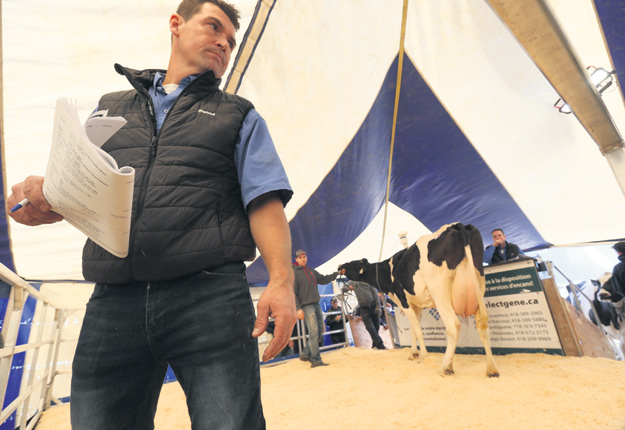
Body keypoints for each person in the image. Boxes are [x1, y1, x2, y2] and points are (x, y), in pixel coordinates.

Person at [7, 1, 297, 429]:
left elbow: (264, 200)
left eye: (231, 41)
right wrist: (43, 200)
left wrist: (281, 281)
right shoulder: (110, 107)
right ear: (176, 25)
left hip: (211, 299)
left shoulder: (239, 115)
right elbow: (83, 191)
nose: (223, 43)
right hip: (113, 301)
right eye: (213, 27)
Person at [292, 249, 338, 367]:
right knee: (313, 332)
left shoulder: (312, 271)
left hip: (316, 304)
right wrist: (298, 309)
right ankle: (316, 360)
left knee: (320, 330)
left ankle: (305, 353)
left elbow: (323, 279)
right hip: (306, 306)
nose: (303, 259)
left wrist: (336, 273)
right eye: (300, 257)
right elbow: (293, 292)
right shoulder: (294, 274)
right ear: (296, 260)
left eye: (304, 256)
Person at [347, 281, 386, 350]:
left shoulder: (367, 278)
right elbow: (344, 287)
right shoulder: (352, 281)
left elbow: (374, 292)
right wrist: (348, 288)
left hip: (374, 305)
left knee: (376, 326)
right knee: (369, 327)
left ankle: (375, 346)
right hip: (363, 308)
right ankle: (380, 345)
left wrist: (378, 307)